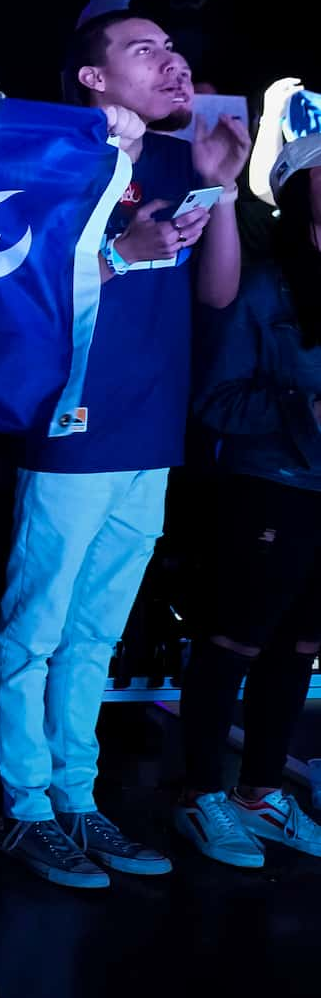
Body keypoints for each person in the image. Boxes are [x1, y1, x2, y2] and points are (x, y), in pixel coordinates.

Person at [0, 0, 248, 888]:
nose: (170, 60)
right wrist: (119, 248)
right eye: (145, 49)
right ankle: (23, 808)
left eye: (173, 47)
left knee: (96, 635)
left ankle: (78, 800)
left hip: (150, 427)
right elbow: (18, 291)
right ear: (94, 77)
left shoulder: (183, 155)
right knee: (35, 630)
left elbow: (215, 295)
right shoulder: (57, 157)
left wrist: (221, 187)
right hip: (70, 425)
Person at [175, 133, 321, 867]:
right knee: (232, 641)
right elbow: (215, 401)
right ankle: (199, 794)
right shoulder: (263, 283)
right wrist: (305, 408)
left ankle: (261, 791)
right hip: (268, 491)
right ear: (298, 189)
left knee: (299, 650)